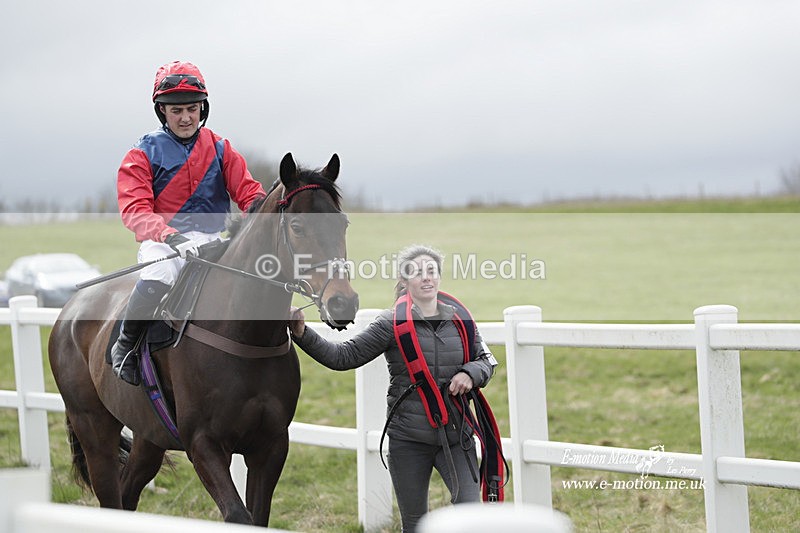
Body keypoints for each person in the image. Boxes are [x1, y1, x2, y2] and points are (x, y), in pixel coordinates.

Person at [289, 245, 499, 533]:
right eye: (417, 272)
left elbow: (486, 360)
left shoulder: (461, 319)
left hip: (456, 438)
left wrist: (470, 373)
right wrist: (302, 333)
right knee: (414, 526)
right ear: (404, 281)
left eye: (431, 271)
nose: (426, 278)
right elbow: (343, 357)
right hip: (409, 442)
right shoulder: (391, 323)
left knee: (472, 519)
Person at [110, 60, 266, 385]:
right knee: (160, 273)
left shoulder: (221, 148)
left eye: (192, 109)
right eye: (176, 110)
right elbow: (135, 210)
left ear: (202, 109)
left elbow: (249, 192)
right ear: (162, 112)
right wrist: (168, 235)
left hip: (212, 240)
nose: (185, 118)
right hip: (162, 242)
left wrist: (261, 214)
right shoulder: (141, 154)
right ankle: (124, 346)